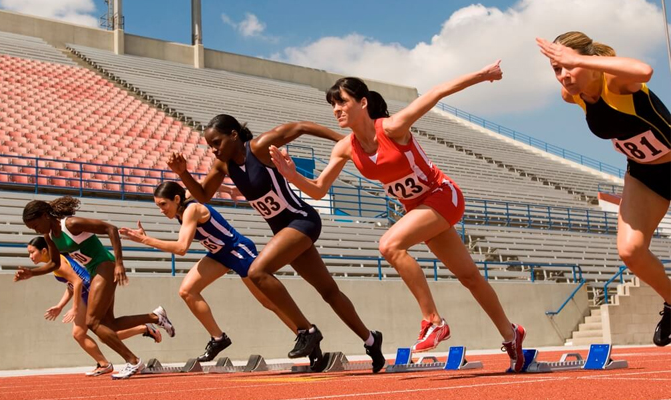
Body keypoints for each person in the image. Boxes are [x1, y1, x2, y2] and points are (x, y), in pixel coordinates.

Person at [268, 61, 527, 372]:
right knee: (469, 276)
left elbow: (437, 92)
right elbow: (320, 190)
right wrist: (291, 175)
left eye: (342, 102)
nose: (336, 110)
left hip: (442, 195)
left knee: (389, 245)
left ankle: (433, 321)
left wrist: (482, 75)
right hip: (418, 210)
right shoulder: (345, 149)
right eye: (332, 105)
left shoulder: (392, 128)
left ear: (362, 103)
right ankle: (511, 335)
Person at [168, 117, 386, 373]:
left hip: (302, 220)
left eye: (217, 142)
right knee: (329, 291)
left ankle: (307, 331)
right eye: (210, 145)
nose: (214, 149)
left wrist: (348, 142)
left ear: (235, 135)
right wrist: (183, 173)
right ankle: (371, 340)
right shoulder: (223, 166)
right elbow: (203, 195)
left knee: (257, 271)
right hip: (285, 231)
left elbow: (302, 127)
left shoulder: (259, 147)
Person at [537, 31, 671, 346]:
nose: (564, 75)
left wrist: (577, 58)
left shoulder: (616, 81)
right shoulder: (572, 95)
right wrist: (572, 65)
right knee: (630, 251)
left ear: (591, 62)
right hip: (643, 176)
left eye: (568, 66)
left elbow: (645, 71)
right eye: (557, 69)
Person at [119, 181, 297, 361]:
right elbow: (204, 184)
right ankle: (218, 338)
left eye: (163, 205)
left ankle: (304, 333)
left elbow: (181, 248)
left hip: (238, 250)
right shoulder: (183, 199)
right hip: (219, 254)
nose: (161, 210)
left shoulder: (191, 210)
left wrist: (145, 240)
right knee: (187, 291)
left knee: (269, 302)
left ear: (177, 199)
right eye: (158, 206)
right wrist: (229, 190)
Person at [20, 196, 175, 379]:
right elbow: (54, 264)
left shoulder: (71, 224)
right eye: (32, 229)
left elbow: (111, 229)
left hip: (105, 265)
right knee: (109, 324)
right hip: (95, 271)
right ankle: (156, 317)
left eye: (35, 225)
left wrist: (119, 263)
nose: (35, 230)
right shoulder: (50, 237)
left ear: (45, 215)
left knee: (92, 322)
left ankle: (133, 361)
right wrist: (32, 272)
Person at [18, 236, 162, 376]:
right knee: (87, 333)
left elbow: (78, 283)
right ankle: (106, 362)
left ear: (44, 251)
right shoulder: (56, 263)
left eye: (32, 252)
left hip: (90, 291)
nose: (30, 256)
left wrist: (74, 308)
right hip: (86, 292)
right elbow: (71, 285)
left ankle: (145, 328)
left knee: (101, 332)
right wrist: (60, 306)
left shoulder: (59, 263)